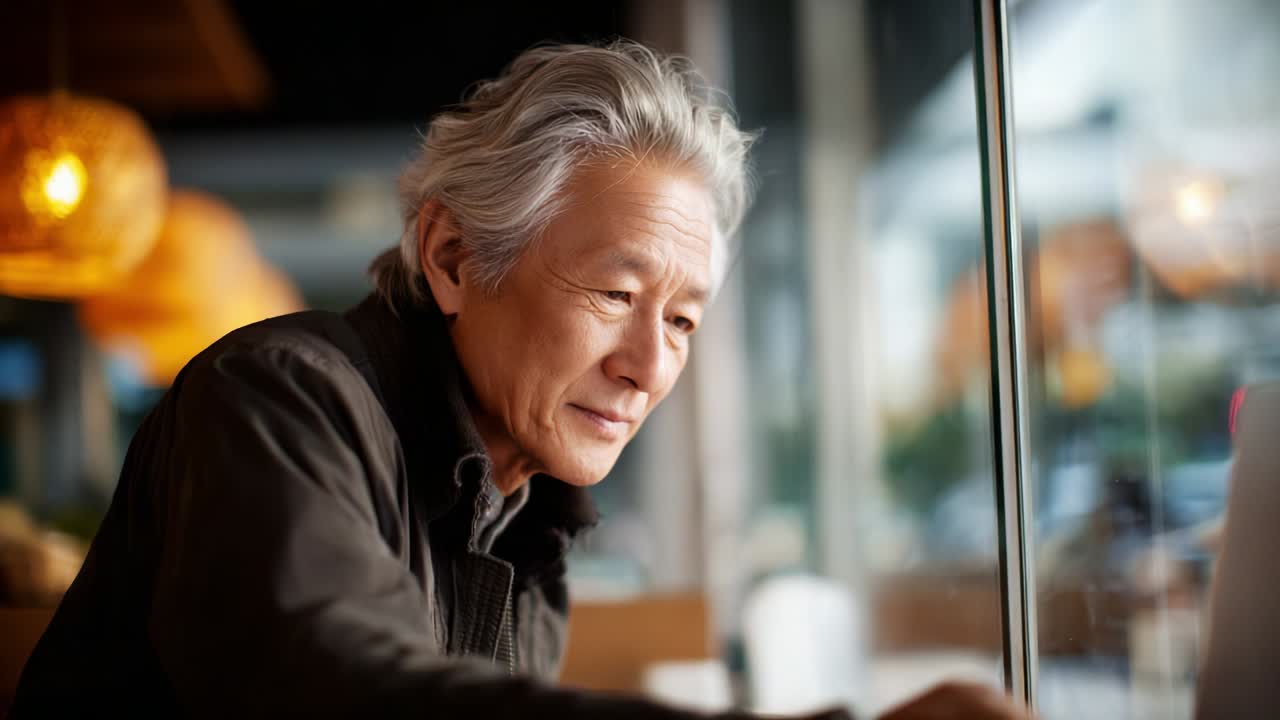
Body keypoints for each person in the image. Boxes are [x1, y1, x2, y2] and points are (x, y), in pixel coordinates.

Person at [13, 41, 1031, 719]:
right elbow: (346, 691)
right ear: (454, 258)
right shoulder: (277, 396)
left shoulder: (528, 516)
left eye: (680, 321)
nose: (646, 367)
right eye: (611, 293)